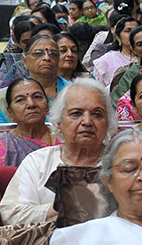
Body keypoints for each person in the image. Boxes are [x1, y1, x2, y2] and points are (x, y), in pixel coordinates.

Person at [0, 78, 113, 226]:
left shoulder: (122, 163)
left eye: (97, 114)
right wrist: (60, 207)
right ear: (59, 123)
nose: (87, 121)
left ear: (108, 124)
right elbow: (11, 214)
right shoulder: (38, 162)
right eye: (76, 113)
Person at [0, 34, 68, 120]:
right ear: (25, 60)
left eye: (53, 53)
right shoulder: (5, 96)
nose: (47, 58)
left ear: (58, 59)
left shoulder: (72, 90)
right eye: (38, 53)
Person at [0, 78, 58, 165]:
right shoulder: (4, 143)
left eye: (37, 97)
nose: (31, 104)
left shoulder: (65, 137)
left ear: (47, 106)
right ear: (10, 112)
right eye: (20, 100)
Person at [91, 21, 137, 87]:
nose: (133, 34)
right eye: (128, 31)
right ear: (118, 37)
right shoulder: (105, 61)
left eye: (136, 30)